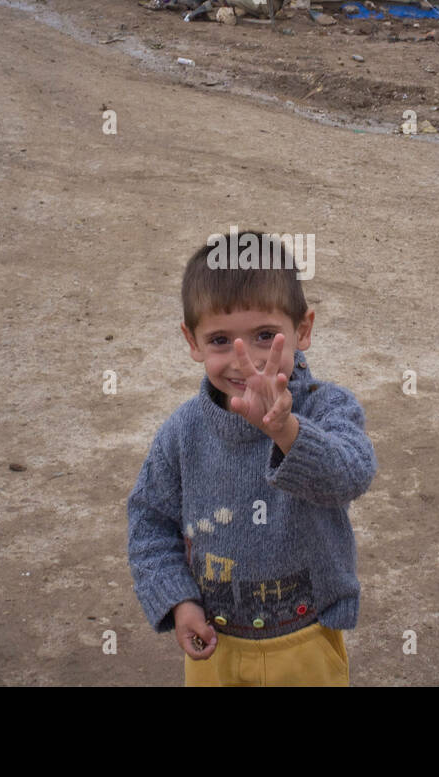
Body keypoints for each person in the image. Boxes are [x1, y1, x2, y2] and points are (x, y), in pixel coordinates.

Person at [127, 230, 377, 686]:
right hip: (215, 650)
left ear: (302, 329)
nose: (247, 361)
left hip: (306, 643)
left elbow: (352, 474)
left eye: (265, 336)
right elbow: (149, 521)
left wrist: (287, 431)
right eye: (221, 340)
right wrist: (179, 600)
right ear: (192, 340)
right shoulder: (182, 433)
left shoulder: (326, 406)